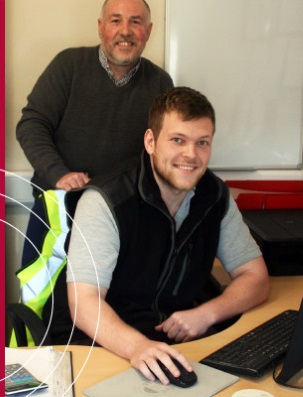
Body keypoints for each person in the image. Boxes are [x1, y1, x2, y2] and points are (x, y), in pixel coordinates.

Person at [65, 86, 269, 385]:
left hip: (172, 345)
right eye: (177, 140)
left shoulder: (215, 197)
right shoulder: (106, 200)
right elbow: (84, 303)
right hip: (101, 345)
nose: (191, 155)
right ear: (151, 141)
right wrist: (137, 347)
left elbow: (256, 278)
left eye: (202, 142)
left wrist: (207, 314)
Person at [16, 0, 173, 198]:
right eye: (116, 20)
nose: (125, 31)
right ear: (101, 27)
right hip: (60, 198)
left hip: (123, 207)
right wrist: (59, 174)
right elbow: (31, 126)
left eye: (135, 22)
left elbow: (166, 147)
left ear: (148, 31)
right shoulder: (68, 66)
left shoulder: (160, 82)